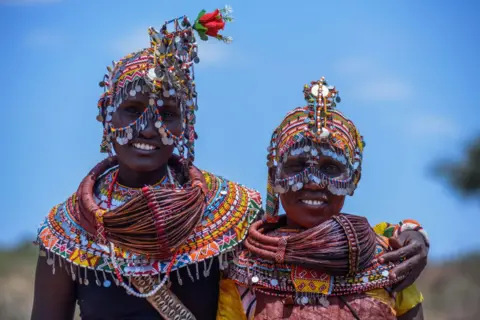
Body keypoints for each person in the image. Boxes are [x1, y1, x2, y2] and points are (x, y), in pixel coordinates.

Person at [31, 7, 428, 319]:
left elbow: (317, 234)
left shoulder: (233, 211)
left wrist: (408, 233)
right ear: (106, 115)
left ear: (186, 123)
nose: (149, 128)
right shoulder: (68, 229)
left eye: (167, 114)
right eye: (132, 109)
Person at [224, 77, 427, 319]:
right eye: (297, 165)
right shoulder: (243, 266)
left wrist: (413, 232)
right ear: (274, 176)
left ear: (354, 179)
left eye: (330, 168)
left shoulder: (387, 260)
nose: (313, 181)